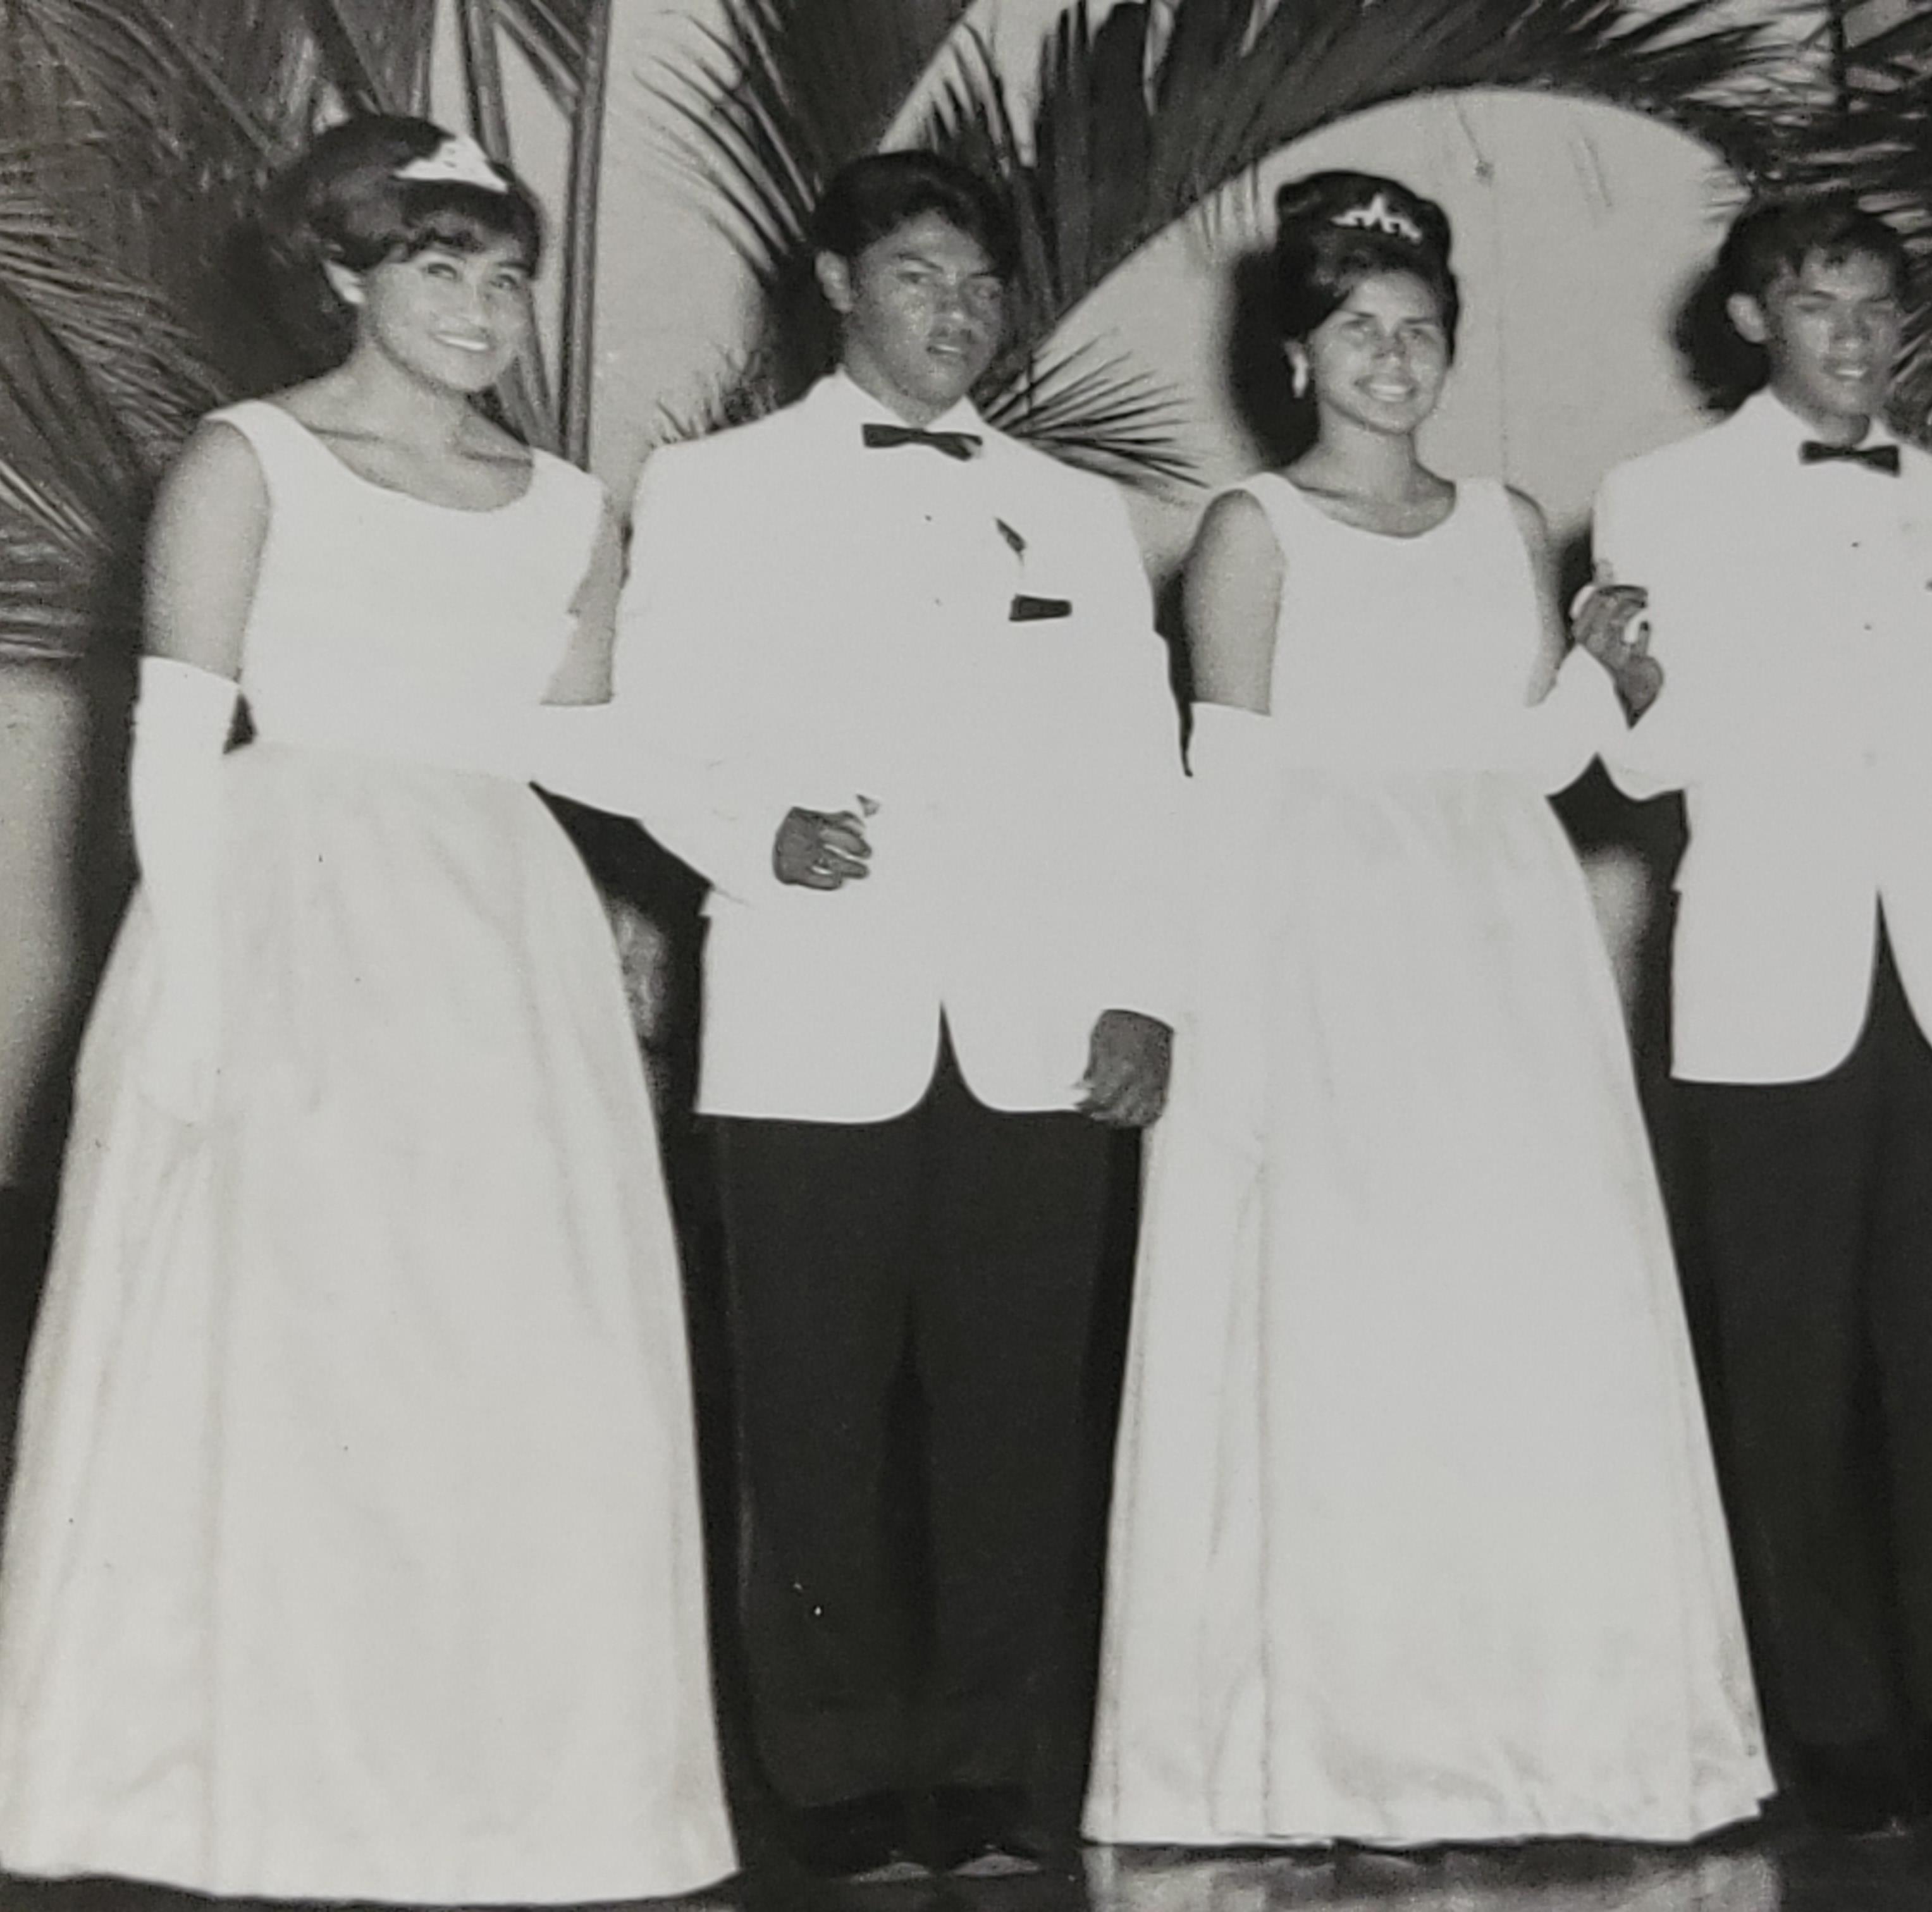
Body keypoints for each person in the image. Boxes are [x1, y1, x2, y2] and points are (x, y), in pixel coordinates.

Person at [0, 116, 735, 1903]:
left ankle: (502, 1792)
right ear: (343, 274)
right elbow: (175, 748)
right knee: (316, 1352)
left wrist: (755, 839)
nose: (482, 309)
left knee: (507, 1353)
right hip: (295, 915)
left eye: (507, 277)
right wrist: (194, 1002)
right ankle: (264, 1787)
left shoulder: (567, 504)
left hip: (503, 944)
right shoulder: (250, 460)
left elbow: (582, 742)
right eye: (437, 268)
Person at [1081, 169, 1771, 1851]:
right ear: (1296, 358)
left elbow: (1520, 754)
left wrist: (1608, 674)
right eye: (1359, 331)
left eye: (1421, 331)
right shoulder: (1252, 532)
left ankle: (1546, 1739)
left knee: (1520, 1312)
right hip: (1324, 958)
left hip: (1502, 952)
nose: (1394, 359)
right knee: (1358, 1330)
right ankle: (1366, 1755)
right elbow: (1227, 796)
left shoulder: (1507, 523)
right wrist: (1201, 1016)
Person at [610, 150, 1184, 1883]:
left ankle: (991, 1767)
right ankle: (839, 1773)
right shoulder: (715, 488)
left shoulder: (1072, 510)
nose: (959, 311)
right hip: (813, 1013)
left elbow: (1139, 777)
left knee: (1016, 1414)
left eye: (982, 283)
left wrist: (1145, 989)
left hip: (1037, 1026)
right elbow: (651, 730)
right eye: (921, 275)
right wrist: (754, 833)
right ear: (838, 286)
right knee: (813, 1417)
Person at [1580, 193, 1932, 1834]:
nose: (1854, 335)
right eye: (1818, 304)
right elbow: (1649, 759)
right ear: (1753, 321)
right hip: (1769, 988)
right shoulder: (1660, 497)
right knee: (1789, 1372)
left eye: (1877, 306)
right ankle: (1829, 1726)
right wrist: (1625, 677)